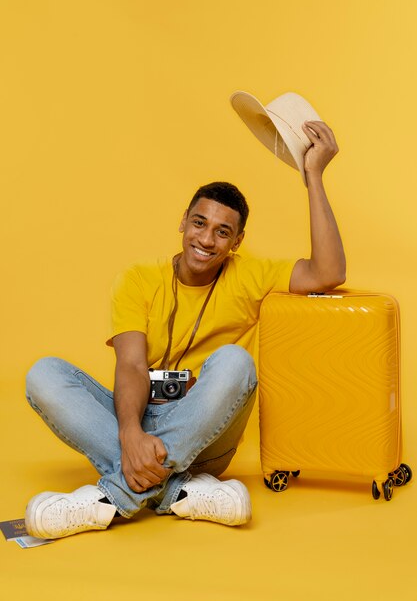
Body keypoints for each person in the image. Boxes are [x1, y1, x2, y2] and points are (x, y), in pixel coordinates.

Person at [24, 120, 346, 539]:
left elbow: (329, 271)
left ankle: (110, 499)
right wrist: (132, 433)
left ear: (237, 241)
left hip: (205, 433)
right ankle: (179, 492)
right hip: (136, 422)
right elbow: (133, 367)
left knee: (237, 362)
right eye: (199, 223)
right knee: (43, 374)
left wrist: (314, 177)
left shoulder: (250, 275)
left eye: (222, 232)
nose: (207, 239)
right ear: (182, 222)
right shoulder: (137, 279)